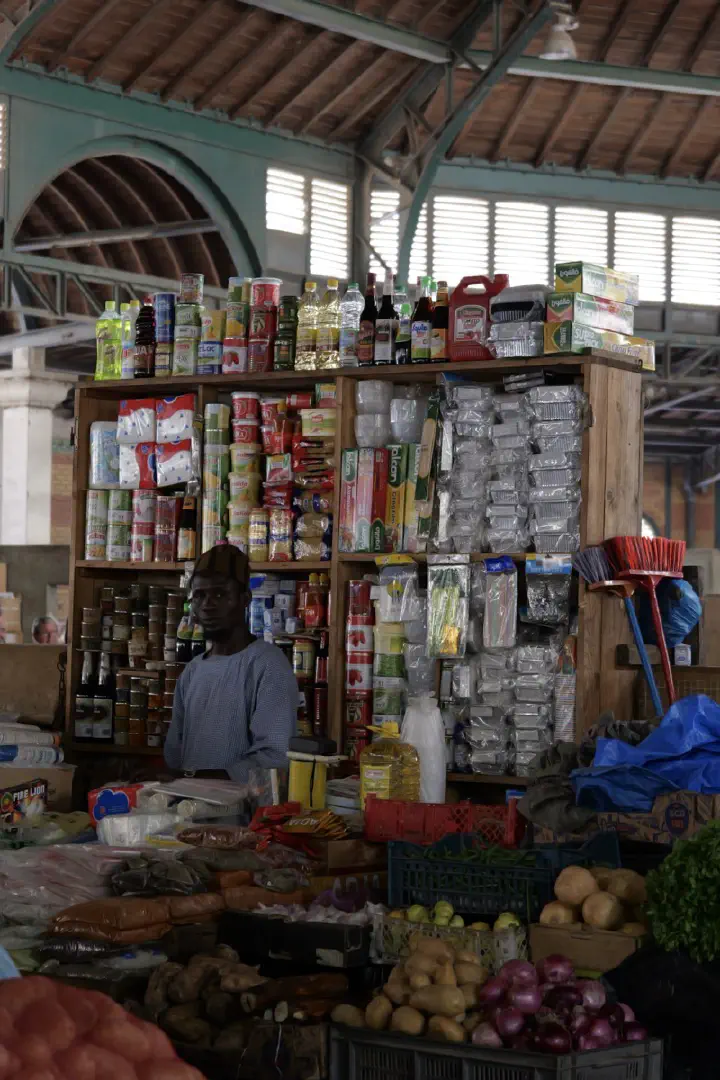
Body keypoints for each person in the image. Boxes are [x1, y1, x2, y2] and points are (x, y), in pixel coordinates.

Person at [164, 544, 298, 784]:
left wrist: (192, 778)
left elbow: (274, 759)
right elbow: (175, 756)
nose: (207, 605)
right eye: (199, 596)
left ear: (245, 599)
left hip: (243, 808)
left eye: (219, 595)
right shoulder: (192, 672)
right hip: (188, 805)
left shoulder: (268, 666)